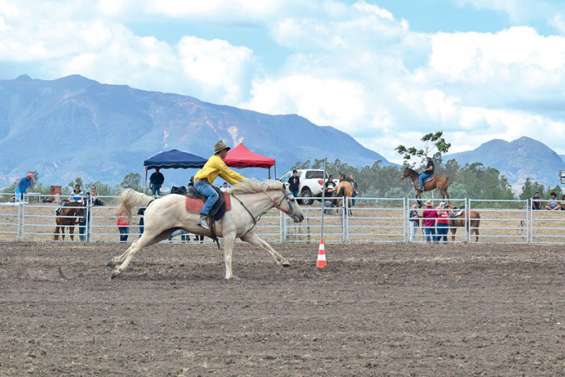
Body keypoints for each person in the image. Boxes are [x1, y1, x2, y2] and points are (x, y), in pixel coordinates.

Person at [193, 140, 245, 229]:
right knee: (214, 195)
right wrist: (246, 180)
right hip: (201, 182)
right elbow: (230, 173)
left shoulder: (217, 161)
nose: (227, 153)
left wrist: (242, 185)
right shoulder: (217, 161)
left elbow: (227, 178)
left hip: (204, 182)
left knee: (219, 194)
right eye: (225, 151)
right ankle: (203, 217)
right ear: (221, 151)